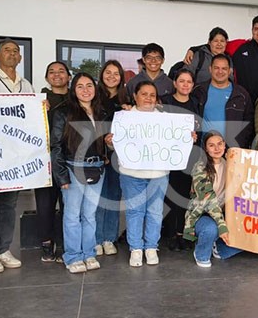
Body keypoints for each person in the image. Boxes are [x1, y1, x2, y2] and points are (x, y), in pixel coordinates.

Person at [0, 38, 32, 275]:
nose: (12, 54)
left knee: (10, 204)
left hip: (16, 155)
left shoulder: (26, 84)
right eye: (7, 50)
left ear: (20, 58)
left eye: (16, 51)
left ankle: (4, 248)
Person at [106, 81, 171, 267]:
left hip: (158, 173)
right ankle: (135, 248)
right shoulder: (124, 117)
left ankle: (151, 247)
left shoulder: (165, 119)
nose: (148, 98)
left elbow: (175, 143)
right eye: (144, 94)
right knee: (135, 212)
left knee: (155, 212)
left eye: (152, 95)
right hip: (131, 172)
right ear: (135, 96)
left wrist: (186, 137)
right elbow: (114, 144)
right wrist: (110, 142)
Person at [50, 72, 108, 274]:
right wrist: (61, 176)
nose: (86, 90)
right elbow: (55, 145)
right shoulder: (63, 112)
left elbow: (103, 141)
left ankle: (88, 253)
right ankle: (73, 256)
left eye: (89, 85)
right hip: (72, 168)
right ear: (73, 90)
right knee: (73, 215)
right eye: (80, 86)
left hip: (97, 168)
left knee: (90, 215)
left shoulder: (100, 112)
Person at [183, 131, 244, 267]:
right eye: (211, 145)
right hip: (202, 214)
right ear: (205, 148)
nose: (217, 149)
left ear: (224, 145)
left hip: (223, 213)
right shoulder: (200, 167)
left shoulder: (230, 164)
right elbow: (209, 201)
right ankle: (201, 253)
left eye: (219, 144)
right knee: (211, 229)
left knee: (247, 230)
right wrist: (222, 227)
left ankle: (218, 248)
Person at [161, 68, 201, 252]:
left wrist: (195, 136)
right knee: (170, 197)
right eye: (182, 81)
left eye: (189, 82)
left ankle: (183, 234)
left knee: (186, 196)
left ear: (193, 85)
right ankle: (169, 234)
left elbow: (200, 129)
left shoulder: (195, 103)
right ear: (175, 83)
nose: (185, 85)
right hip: (168, 157)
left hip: (189, 156)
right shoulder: (165, 102)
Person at [94, 60, 130, 258]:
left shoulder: (126, 99)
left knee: (114, 197)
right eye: (108, 72)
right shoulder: (94, 97)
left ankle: (109, 238)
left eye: (116, 73)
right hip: (98, 154)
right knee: (99, 198)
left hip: (119, 157)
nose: (112, 76)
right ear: (102, 75)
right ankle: (97, 239)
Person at [36, 61, 70, 262]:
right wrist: (35, 106)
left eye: (61, 71)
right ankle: (47, 242)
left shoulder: (77, 98)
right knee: (45, 204)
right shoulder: (38, 100)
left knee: (69, 204)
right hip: (44, 160)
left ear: (69, 76)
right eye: (52, 72)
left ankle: (69, 243)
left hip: (70, 159)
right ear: (47, 78)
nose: (57, 75)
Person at [193, 53, 254, 149]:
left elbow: (249, 124)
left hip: (231, 150)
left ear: (230, 71)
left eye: (224, 68)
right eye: (216, 68)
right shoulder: (199, 91)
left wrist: (239, 144)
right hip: (203, 149)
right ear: (210, 69)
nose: (220, 71)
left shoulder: (241, 94)